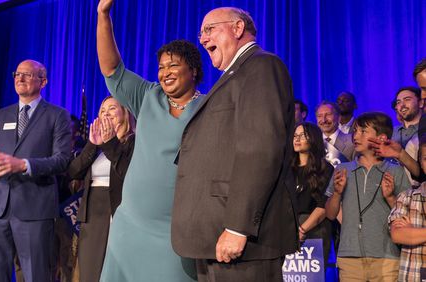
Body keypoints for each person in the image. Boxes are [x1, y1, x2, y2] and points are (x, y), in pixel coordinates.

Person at [172, 7, 298, 282]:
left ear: (238, 28)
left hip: (243, 241)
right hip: (215, 237)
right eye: (201, 33)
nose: (202, 40)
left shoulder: (262, 67)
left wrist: (238, 227)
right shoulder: (234, 75)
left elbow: (259, 150)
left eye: (209, 30)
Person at [96, 0, 203, 281]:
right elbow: (112, 70)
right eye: (161, 66)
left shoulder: (209, 107)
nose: (165, 71)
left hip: (176, 232)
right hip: (130, 224)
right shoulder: (147, 96)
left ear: (193, 70)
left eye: (173, 65)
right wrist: (103, 14)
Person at [0, 59, 72, 282]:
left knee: (35, 275)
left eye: (27, 74)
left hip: (34, 209)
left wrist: (24, 165)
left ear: (43, 81)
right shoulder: (0, 116)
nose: (20, 78)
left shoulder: (57, 116)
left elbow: (62, 160)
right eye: (17, 74)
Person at [325, 112, 410, 282]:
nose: (356, 136)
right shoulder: (343, 169)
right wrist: (337, 193)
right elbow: (330, 214)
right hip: (350, 257)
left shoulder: (395, 171)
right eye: (355, 131)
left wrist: (391, 198)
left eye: (363, 131)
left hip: (386, 257)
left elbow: (406, 216)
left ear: (381, 138)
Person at [68, 96, 135, 282]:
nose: (106, 114)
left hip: (118, 213)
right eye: (102, 110)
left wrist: (109, 142)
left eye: (112, 109)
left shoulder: (133, 142)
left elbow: (125, 172)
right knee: (90, 271)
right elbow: (74, 171)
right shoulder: (97, 146)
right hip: (92, 215)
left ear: (125, 113)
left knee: (114, 270)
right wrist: (92, 143)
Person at [292, 122, 334, 266]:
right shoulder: (286, 169)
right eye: (295, 136)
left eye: (302, 136)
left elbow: (323, 205)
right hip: (288, 228)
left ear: (313, 139)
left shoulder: (325, 168)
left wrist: (302, 230)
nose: (297, 139)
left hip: (315, 228)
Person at [389, 134, 426, 282]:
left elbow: (409, 235)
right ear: (421, 164)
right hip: (414, 275)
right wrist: (407, 234)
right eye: (425, 158)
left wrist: (415, 233)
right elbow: (398, 235)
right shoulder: (407, 197)